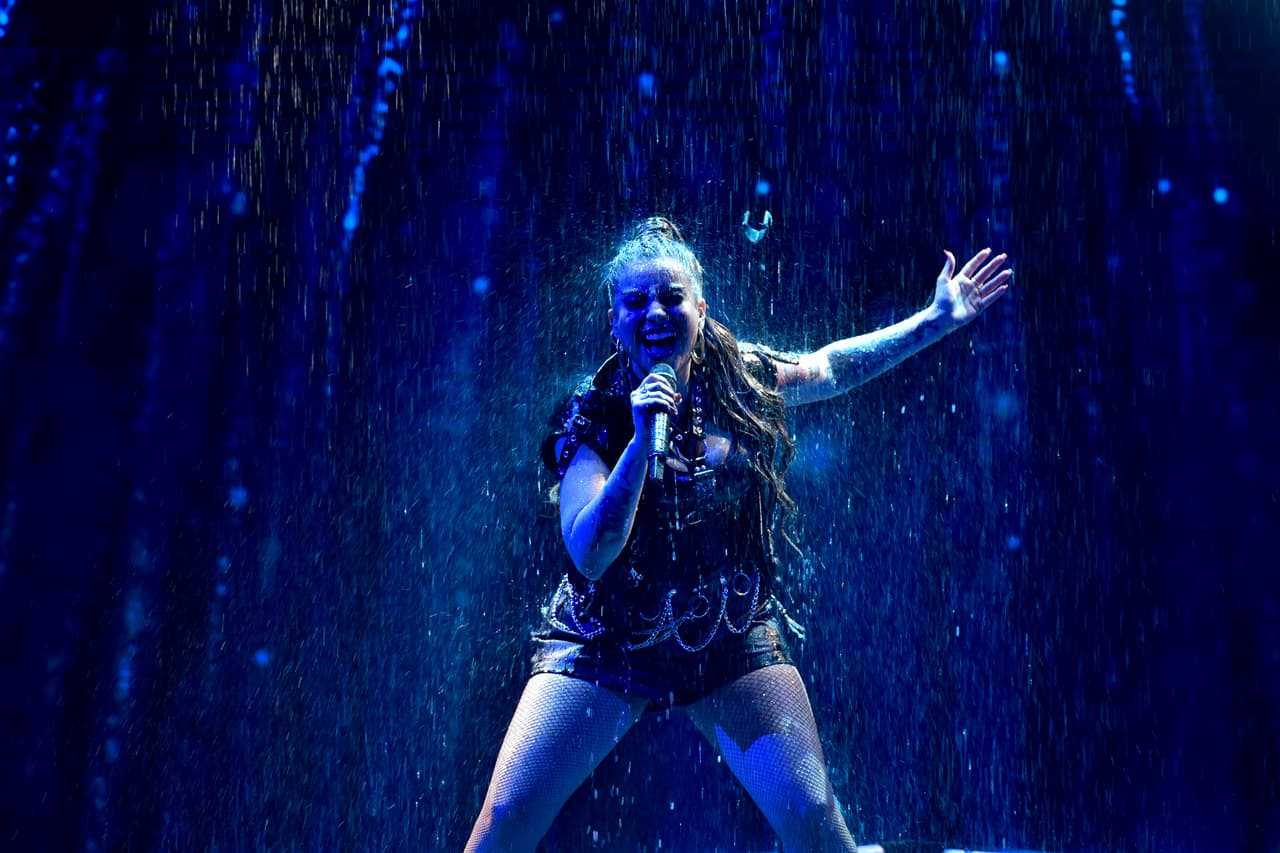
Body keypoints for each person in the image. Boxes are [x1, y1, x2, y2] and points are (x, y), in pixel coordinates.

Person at [464, 217, 1012, 852]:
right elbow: (591, 553)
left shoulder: (736, 378)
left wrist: (933, 323)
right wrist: (642, 442)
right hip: (606, 637)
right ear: (613, 319)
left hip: (726, 630)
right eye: (636, 302)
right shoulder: (593, 412)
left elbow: (827, 369)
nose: (655, 314)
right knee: (504, 821)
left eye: (671, 298)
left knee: (814, 820)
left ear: (701, 308)